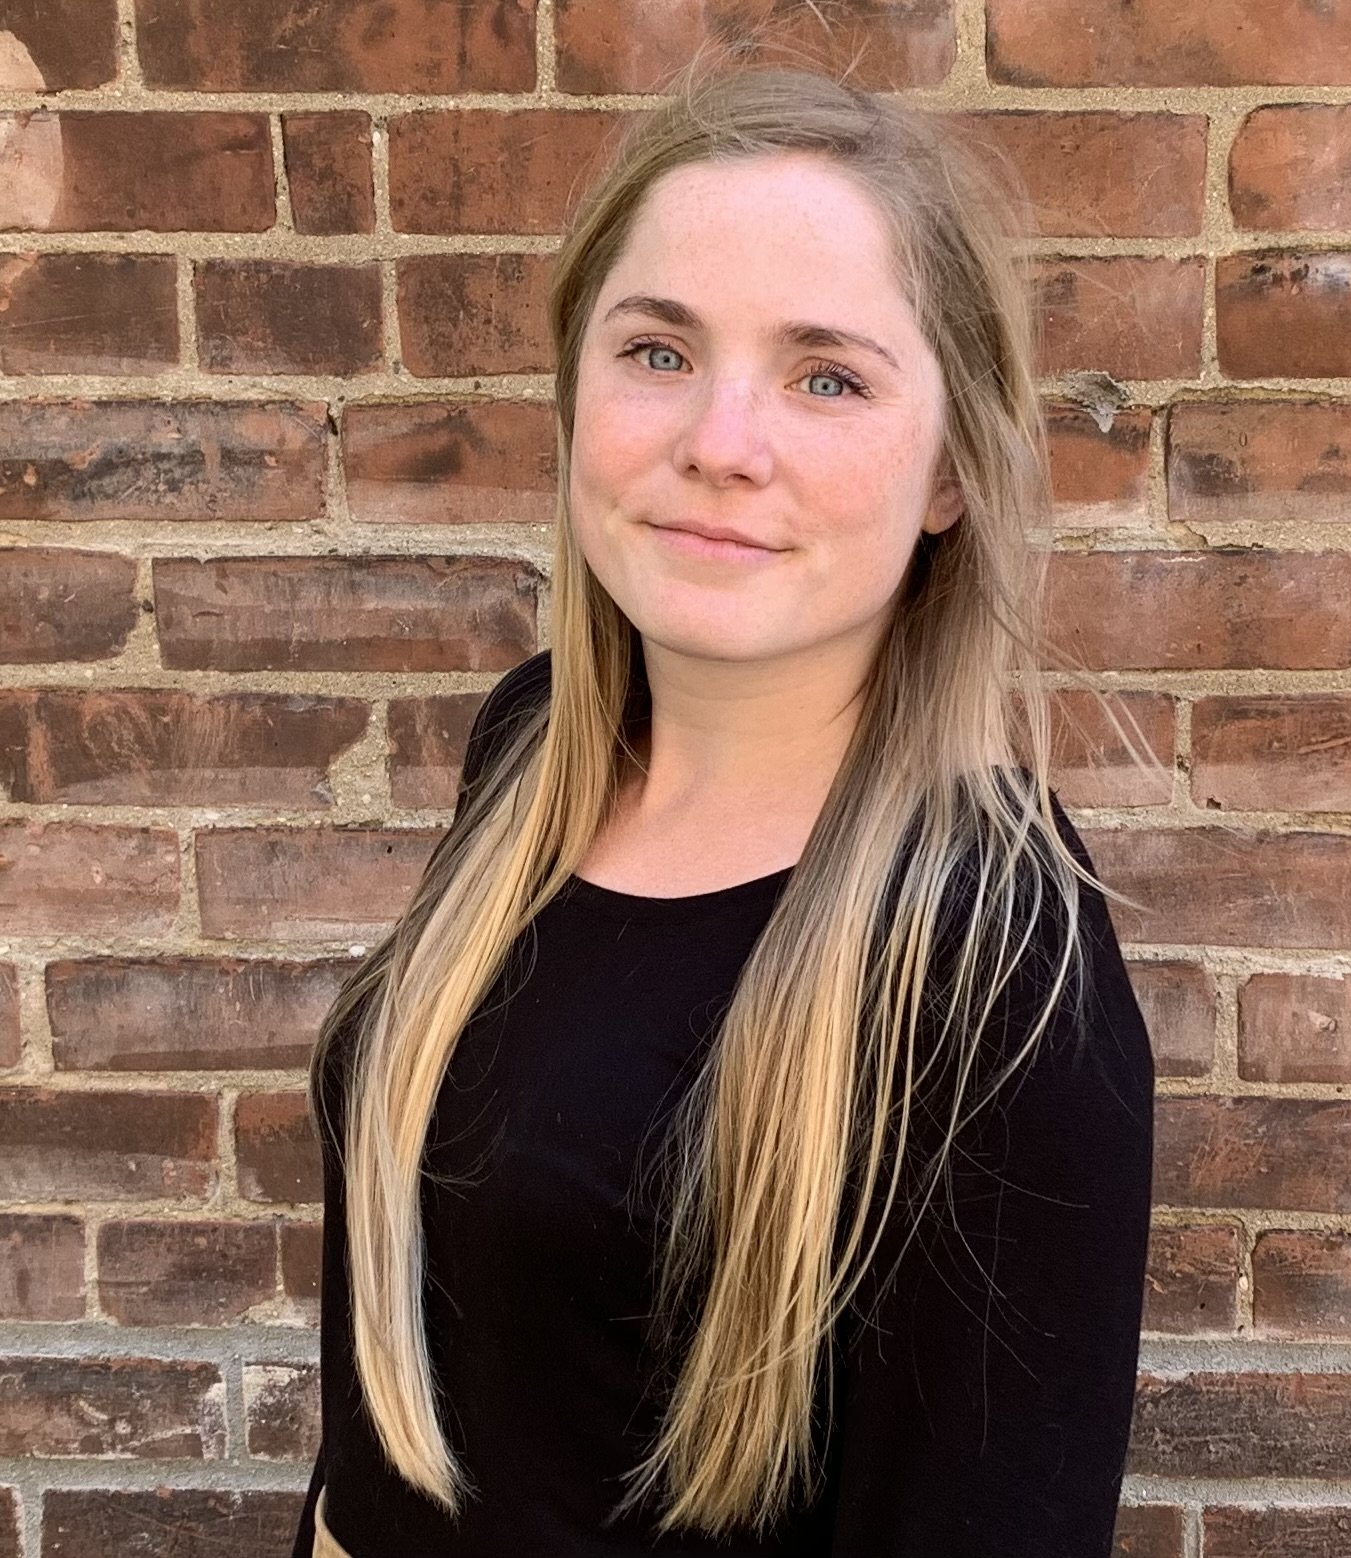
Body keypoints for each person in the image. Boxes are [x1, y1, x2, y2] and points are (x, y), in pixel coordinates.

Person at [292, 54, 1161, 1558]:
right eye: (656, 351)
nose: (719, 441)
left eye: (826, 375)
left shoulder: (987, 965)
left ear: (951, 465)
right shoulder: (533, 750)